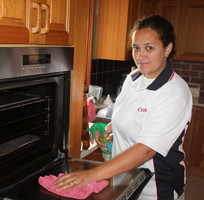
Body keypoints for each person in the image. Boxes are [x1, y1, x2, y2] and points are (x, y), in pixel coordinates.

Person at [55, 15, 192, 200]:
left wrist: (91, 174)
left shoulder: (174, 93)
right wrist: (111, 129)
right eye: (136, 48)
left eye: (149, 48)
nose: (139, 55)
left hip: (156, 190)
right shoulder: (133, 78)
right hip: (125, 181)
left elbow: (146, 149)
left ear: (167, 48)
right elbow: (131, 116)